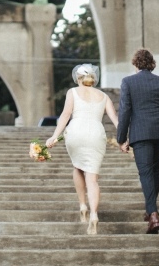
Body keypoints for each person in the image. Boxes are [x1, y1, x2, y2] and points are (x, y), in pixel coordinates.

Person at [46, 64, 118, 235]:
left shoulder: (72, 92)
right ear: (93, 78)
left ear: (78, 78)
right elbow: (115, 119)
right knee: (92, 178)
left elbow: (65, 115)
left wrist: (55, 136)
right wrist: (123, 139)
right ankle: (94, 214)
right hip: (96, 133)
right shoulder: (103, 96)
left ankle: (82, 205)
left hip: (76, 131)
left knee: (78, 167)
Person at [117, 48, 159, 234]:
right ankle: (150, 209)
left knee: (146, 172)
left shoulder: (128, 82)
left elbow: (124, 112)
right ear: (152, 64)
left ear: (135, 64)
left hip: (141, 133)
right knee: (155, 169)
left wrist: (121, 139)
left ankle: (153, 215)